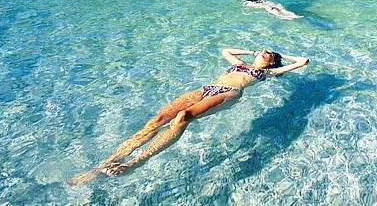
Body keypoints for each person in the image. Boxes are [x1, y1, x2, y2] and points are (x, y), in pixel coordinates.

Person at [68, 48, 310, 185]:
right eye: (264, 49)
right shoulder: (240, 63)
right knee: (158, 119)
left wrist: (280, 57)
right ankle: (102, 166)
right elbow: (225, 50)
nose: (265, 50)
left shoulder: (267, 72)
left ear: (272, 63)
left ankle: (137, 162)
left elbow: (302, 61)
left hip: (229, 93)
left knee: (183, 117)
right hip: (208, 88)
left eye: (269, 53)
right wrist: (252, 51)